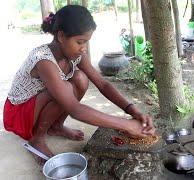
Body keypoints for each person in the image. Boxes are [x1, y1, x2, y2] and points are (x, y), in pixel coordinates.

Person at [3, 5, 155, 161]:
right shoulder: (44, 60)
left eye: (86, 42)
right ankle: (37, 139)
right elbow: (75, 109)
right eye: (80, 42)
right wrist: (127, 125)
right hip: (18, 112)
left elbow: (102, 84)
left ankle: (56, 127)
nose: (84, 48)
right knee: (66, 88)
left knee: (80, 78)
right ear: (61, 36)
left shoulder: (76, 54)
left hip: (38, 105)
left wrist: (132, 110)